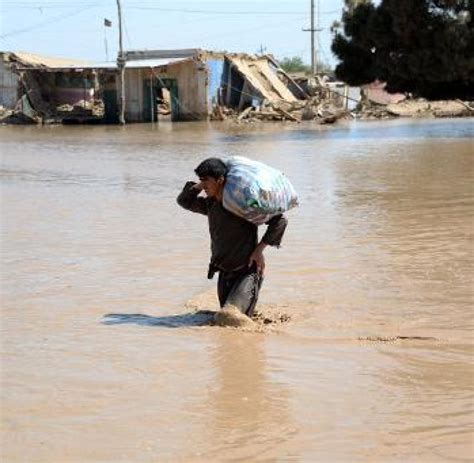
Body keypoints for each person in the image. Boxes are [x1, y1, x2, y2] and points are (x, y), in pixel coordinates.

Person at [177, 157, 288, 319]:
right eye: (201, 181)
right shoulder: (210, 205)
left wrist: (259, 250)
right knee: (226, 318)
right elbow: (184, 201)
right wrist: (203, 183)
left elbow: (280, 220)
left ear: (220, 180)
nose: (203, 185)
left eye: (206, 180)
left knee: (230, 316)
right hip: (224, 272)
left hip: (247, 272)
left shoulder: (242, 205)